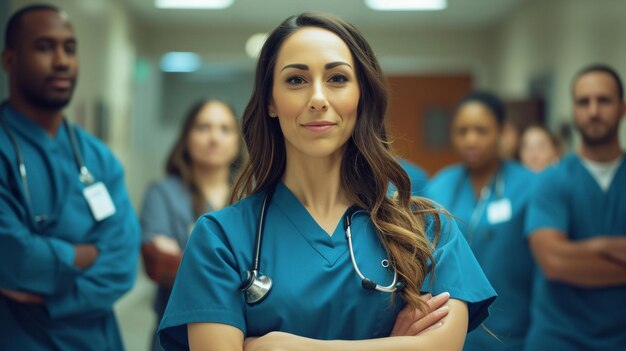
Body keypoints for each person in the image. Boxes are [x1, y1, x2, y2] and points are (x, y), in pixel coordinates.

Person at [157, 13, 496, 351]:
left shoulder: (426, 229)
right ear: (270, 101)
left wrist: (279, 347)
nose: (318, 98)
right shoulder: (221, 239)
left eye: (337, 78)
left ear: (361, 95)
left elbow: (442, 346)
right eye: (296, 80)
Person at [0, 4, 139, 350]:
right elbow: (14, 258)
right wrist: (86, 254)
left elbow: (122, 263)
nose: (62, 61)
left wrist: (50, 294)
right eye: (44, 47)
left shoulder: (99, 158)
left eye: (70, 48)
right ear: (9, 60)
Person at [524, 64, 626, 350]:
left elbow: (567, 257)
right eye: (584, 102)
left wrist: (584, 251)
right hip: (559, 339)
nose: (593, 111)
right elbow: (555, 262)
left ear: (622, 108)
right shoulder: (552, 180)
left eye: (603, 100)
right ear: (573, 110)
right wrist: (609, 245)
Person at [426, 91, 535, 351]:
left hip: (516, 331)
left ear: (501, 132)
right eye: (462, 131)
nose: (470, 140)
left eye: (481, 130)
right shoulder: (439, 186)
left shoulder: (529, 185)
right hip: (452, 333)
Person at [141, 99, 244, 351]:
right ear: (187, 137)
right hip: (177, 335)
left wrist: (189, 257)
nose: (214, 138)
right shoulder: (163, 193)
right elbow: (159, 265)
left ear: (237, 141)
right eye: (203, 128)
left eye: (225, 129)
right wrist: (241, 275)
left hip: (241, 335)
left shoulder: (251, 196)